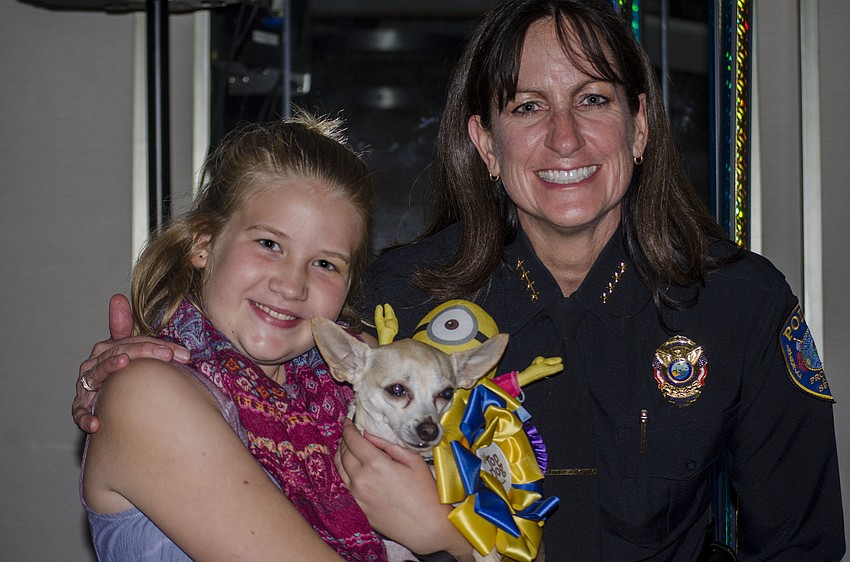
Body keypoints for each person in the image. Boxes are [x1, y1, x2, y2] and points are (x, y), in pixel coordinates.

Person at [75, 1, 844, 560]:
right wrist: (126, 375)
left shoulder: (740, 303)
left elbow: (802, 549)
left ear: (640, 126)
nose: (566, 136)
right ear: (484, 140)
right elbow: (255, 371)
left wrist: (449, 534)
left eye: (595, 100)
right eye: (528, 106)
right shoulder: (397, 299)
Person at [77, 113, 468, 562]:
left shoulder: (369, 382)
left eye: (326, 264)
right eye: (269, 244)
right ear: (204, 243)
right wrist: (450, 535)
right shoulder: (146, 392)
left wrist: (448, 532)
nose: (291, 284)